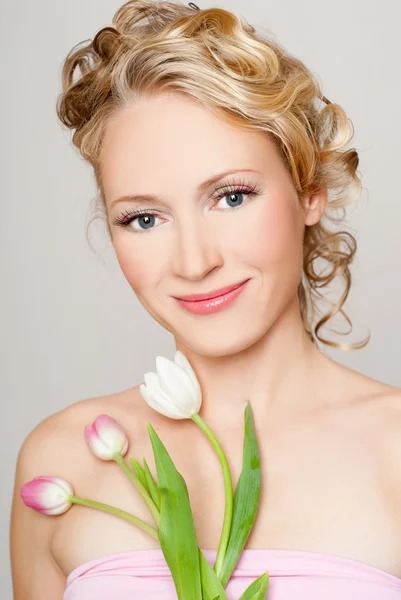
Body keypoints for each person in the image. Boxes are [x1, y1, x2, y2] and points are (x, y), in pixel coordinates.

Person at [10, 1, 401, 599]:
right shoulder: (63, 459)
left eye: (232, 196)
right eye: (144, 218)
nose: (195, 262)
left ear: (310, 192)